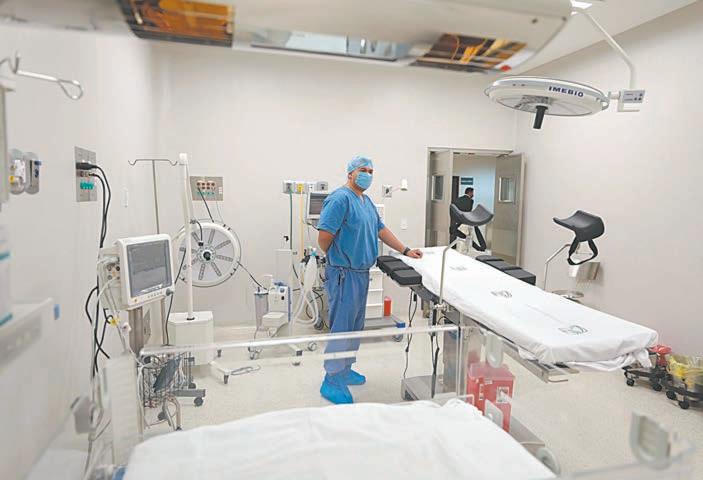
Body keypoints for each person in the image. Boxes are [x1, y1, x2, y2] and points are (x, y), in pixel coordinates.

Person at [317, 155, 423, 404]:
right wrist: (339, 258)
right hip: (344, 274)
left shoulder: (366, 202)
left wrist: (406, 250)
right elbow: (324, 238)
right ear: (350, 173)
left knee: (355, 326)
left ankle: (345, 369)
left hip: (361, 273)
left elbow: (380, 229)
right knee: (342, 327)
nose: (367, 174)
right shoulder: (340, 199)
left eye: (371, 171)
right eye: (363, 170)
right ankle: (331, 380)